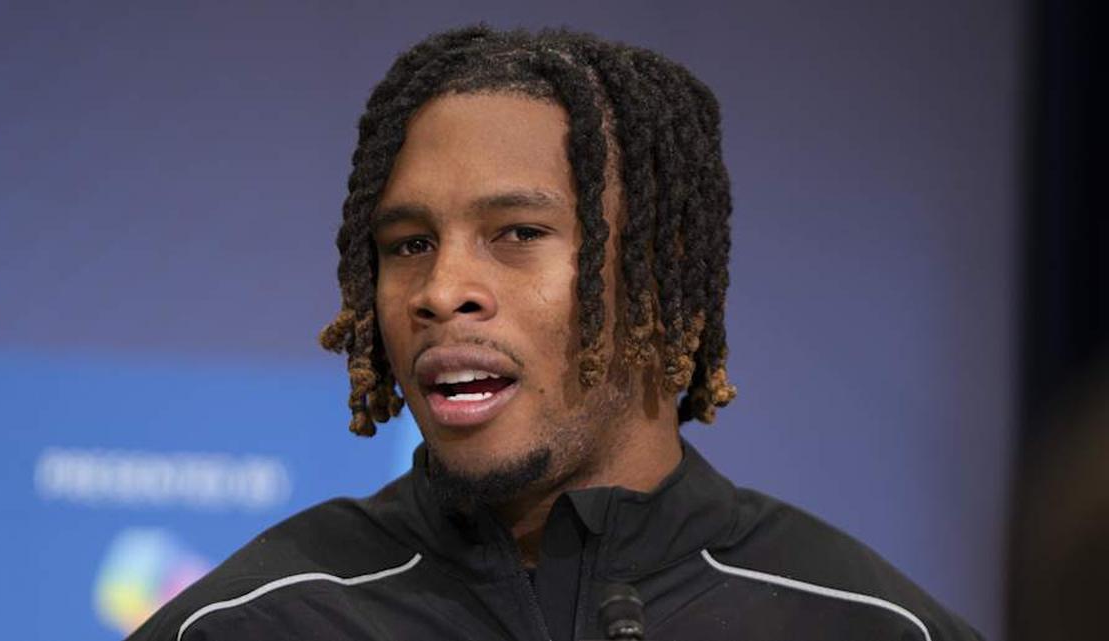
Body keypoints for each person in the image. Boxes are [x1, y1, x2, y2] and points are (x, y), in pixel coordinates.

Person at [128, 25, 982, 641]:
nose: (441, 291)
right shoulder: (255, 620)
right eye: (409, 244)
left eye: (517, 233)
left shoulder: (864, 623)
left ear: (658, 269)